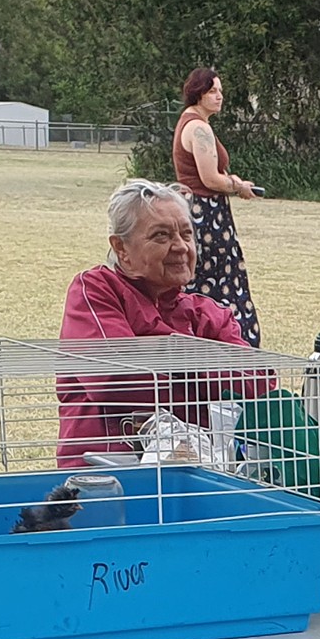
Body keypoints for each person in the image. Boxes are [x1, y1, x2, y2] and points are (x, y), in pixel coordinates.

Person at [58, 179, 262, 460]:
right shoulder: (95, 289)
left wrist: (166, 361)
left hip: (195, 470)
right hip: (106, 471)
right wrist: (201, 366)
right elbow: (115, 380)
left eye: (187, 234)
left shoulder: (210, 313)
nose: (181, 247)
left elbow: (257, 386)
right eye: (161, 236)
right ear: (122, 249)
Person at [173, 66, 262, 345]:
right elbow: (210, 179)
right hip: (206, 216)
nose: (219, 96)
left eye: (220, 91)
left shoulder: (190, 122)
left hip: (195, 211)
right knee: (218, 281)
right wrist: (238, 185)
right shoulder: (199, 128)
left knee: (200, 279)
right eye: (212, 91)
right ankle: (233, 342)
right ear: (197, 93)